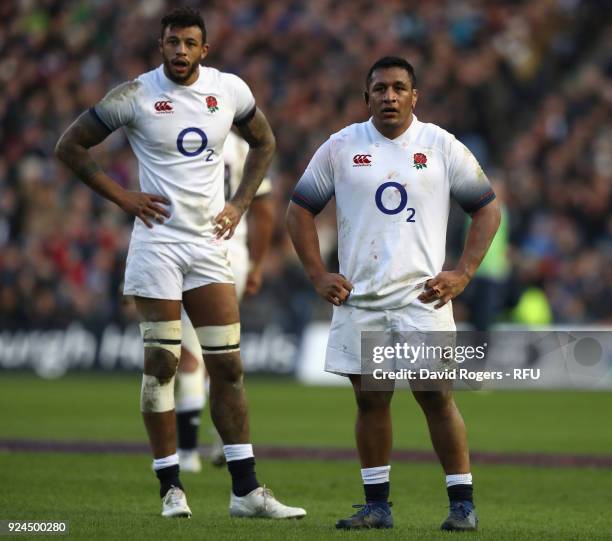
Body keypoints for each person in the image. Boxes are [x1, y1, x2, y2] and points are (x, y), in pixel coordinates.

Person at [56, 6, 305, 520]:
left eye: (189, 43)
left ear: (203, 49)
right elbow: (71, 145)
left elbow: (265, 141)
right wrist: (123, 197)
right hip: (157, 246)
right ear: (161, 45)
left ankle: (246, 491)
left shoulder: (229, 90)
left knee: (228, 365)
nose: (180, 51)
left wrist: (239, 203)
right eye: (172, 42)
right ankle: (171, 485)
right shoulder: (134, 94)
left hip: (208, 246)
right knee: (162, 364)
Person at [286, 56, 500, 531]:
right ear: (367, 97)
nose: (389, 96)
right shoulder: (341, 147)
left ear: (414, 96)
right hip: (360, 299)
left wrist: (462, 273)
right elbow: (299, 209)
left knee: (436, 397)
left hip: (422, 300)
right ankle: (377, 506)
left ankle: (462, 505)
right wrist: (319, 274)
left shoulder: (441, 145)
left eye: (399, 88)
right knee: (371, 401)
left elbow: (486, 208)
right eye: (380, 89)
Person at [176, 130, 274, 472]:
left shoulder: (186, 137)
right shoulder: (242, 146)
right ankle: (225, 437)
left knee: (191, 353)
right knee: (221, 352)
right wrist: (257, 264)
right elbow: (264, 211)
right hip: (237, 254)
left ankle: (187, 452)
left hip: (200, 252)